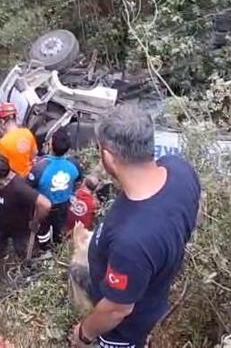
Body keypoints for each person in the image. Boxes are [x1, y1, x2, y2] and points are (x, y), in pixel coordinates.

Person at [69, 105, 201, 348]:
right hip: (150, 295)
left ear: (107, 155)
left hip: (121, 333)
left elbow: (116, 310)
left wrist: (84, 334)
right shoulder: (180, 170)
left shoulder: (132, 240)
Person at [0, 153, 50, 259]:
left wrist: (36, 220)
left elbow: (45, 204)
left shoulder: (19, 187)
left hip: (19, 229)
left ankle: (28, 266)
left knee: (23, 251)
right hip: (1, 223)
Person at [29, 128, 83, 249]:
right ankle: (57, 247)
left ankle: (44, 248)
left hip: (44, 206)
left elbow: (29, 187)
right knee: (59, 227)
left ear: (51, 145)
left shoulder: (39, 166)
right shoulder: (74, 164)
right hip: (64, 204)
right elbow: (79, 180)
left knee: (43, 230)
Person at [0, 103, 37, 177]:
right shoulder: (27, 132)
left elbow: (1, 167)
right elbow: (34, 154)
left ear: (2, 121)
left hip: (15, 179)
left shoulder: (3, 143)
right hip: (30, 175)